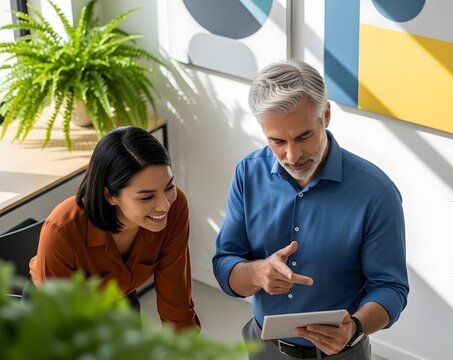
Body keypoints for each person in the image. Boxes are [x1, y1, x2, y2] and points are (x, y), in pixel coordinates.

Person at [212, 59, 409, 359]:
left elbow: (391, 288)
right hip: (263, 349)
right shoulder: (247, 174)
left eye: (304, 136)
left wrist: (354, 327)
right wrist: (258, 273)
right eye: (277, 141)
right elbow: (226, 262)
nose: (292, 155)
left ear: (326, 114)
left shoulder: (376, 193)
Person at [28, 126, 200, 331]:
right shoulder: (63, 231)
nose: (164, 205)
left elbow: (176, 303)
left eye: (169, 187)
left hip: (119, 297)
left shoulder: (175, 206)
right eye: (146, 196)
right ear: (110, 195)